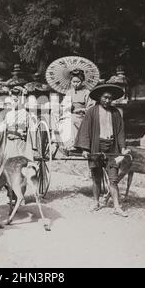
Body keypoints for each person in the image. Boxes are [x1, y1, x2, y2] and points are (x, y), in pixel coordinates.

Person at [74, 83, 130, 217]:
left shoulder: (116, 112)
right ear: (99, 98)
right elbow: (86, 130)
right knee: (96, 177)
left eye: (110, 98)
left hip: (112, 148)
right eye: (105, 97)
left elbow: (121, 132)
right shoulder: (92, 112)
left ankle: (117, 206)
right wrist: (85, 149)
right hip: (96, 146)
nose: (107, 100)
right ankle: (96, 202)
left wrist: (122, 148)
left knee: (114, 179)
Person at [58, 69, 94, 152]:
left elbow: (91, 106)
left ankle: (74, 144)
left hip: (83, 116)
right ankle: (66, 143)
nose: (75, 84)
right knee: (64, 120)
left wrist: (83, 109)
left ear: (82, 81)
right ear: (70, 81)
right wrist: (67, 106)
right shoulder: (69, 92)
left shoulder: (86, 92)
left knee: (71, 120)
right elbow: (64, 105)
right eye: (73, 82)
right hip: (71, 114)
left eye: (78, 82)